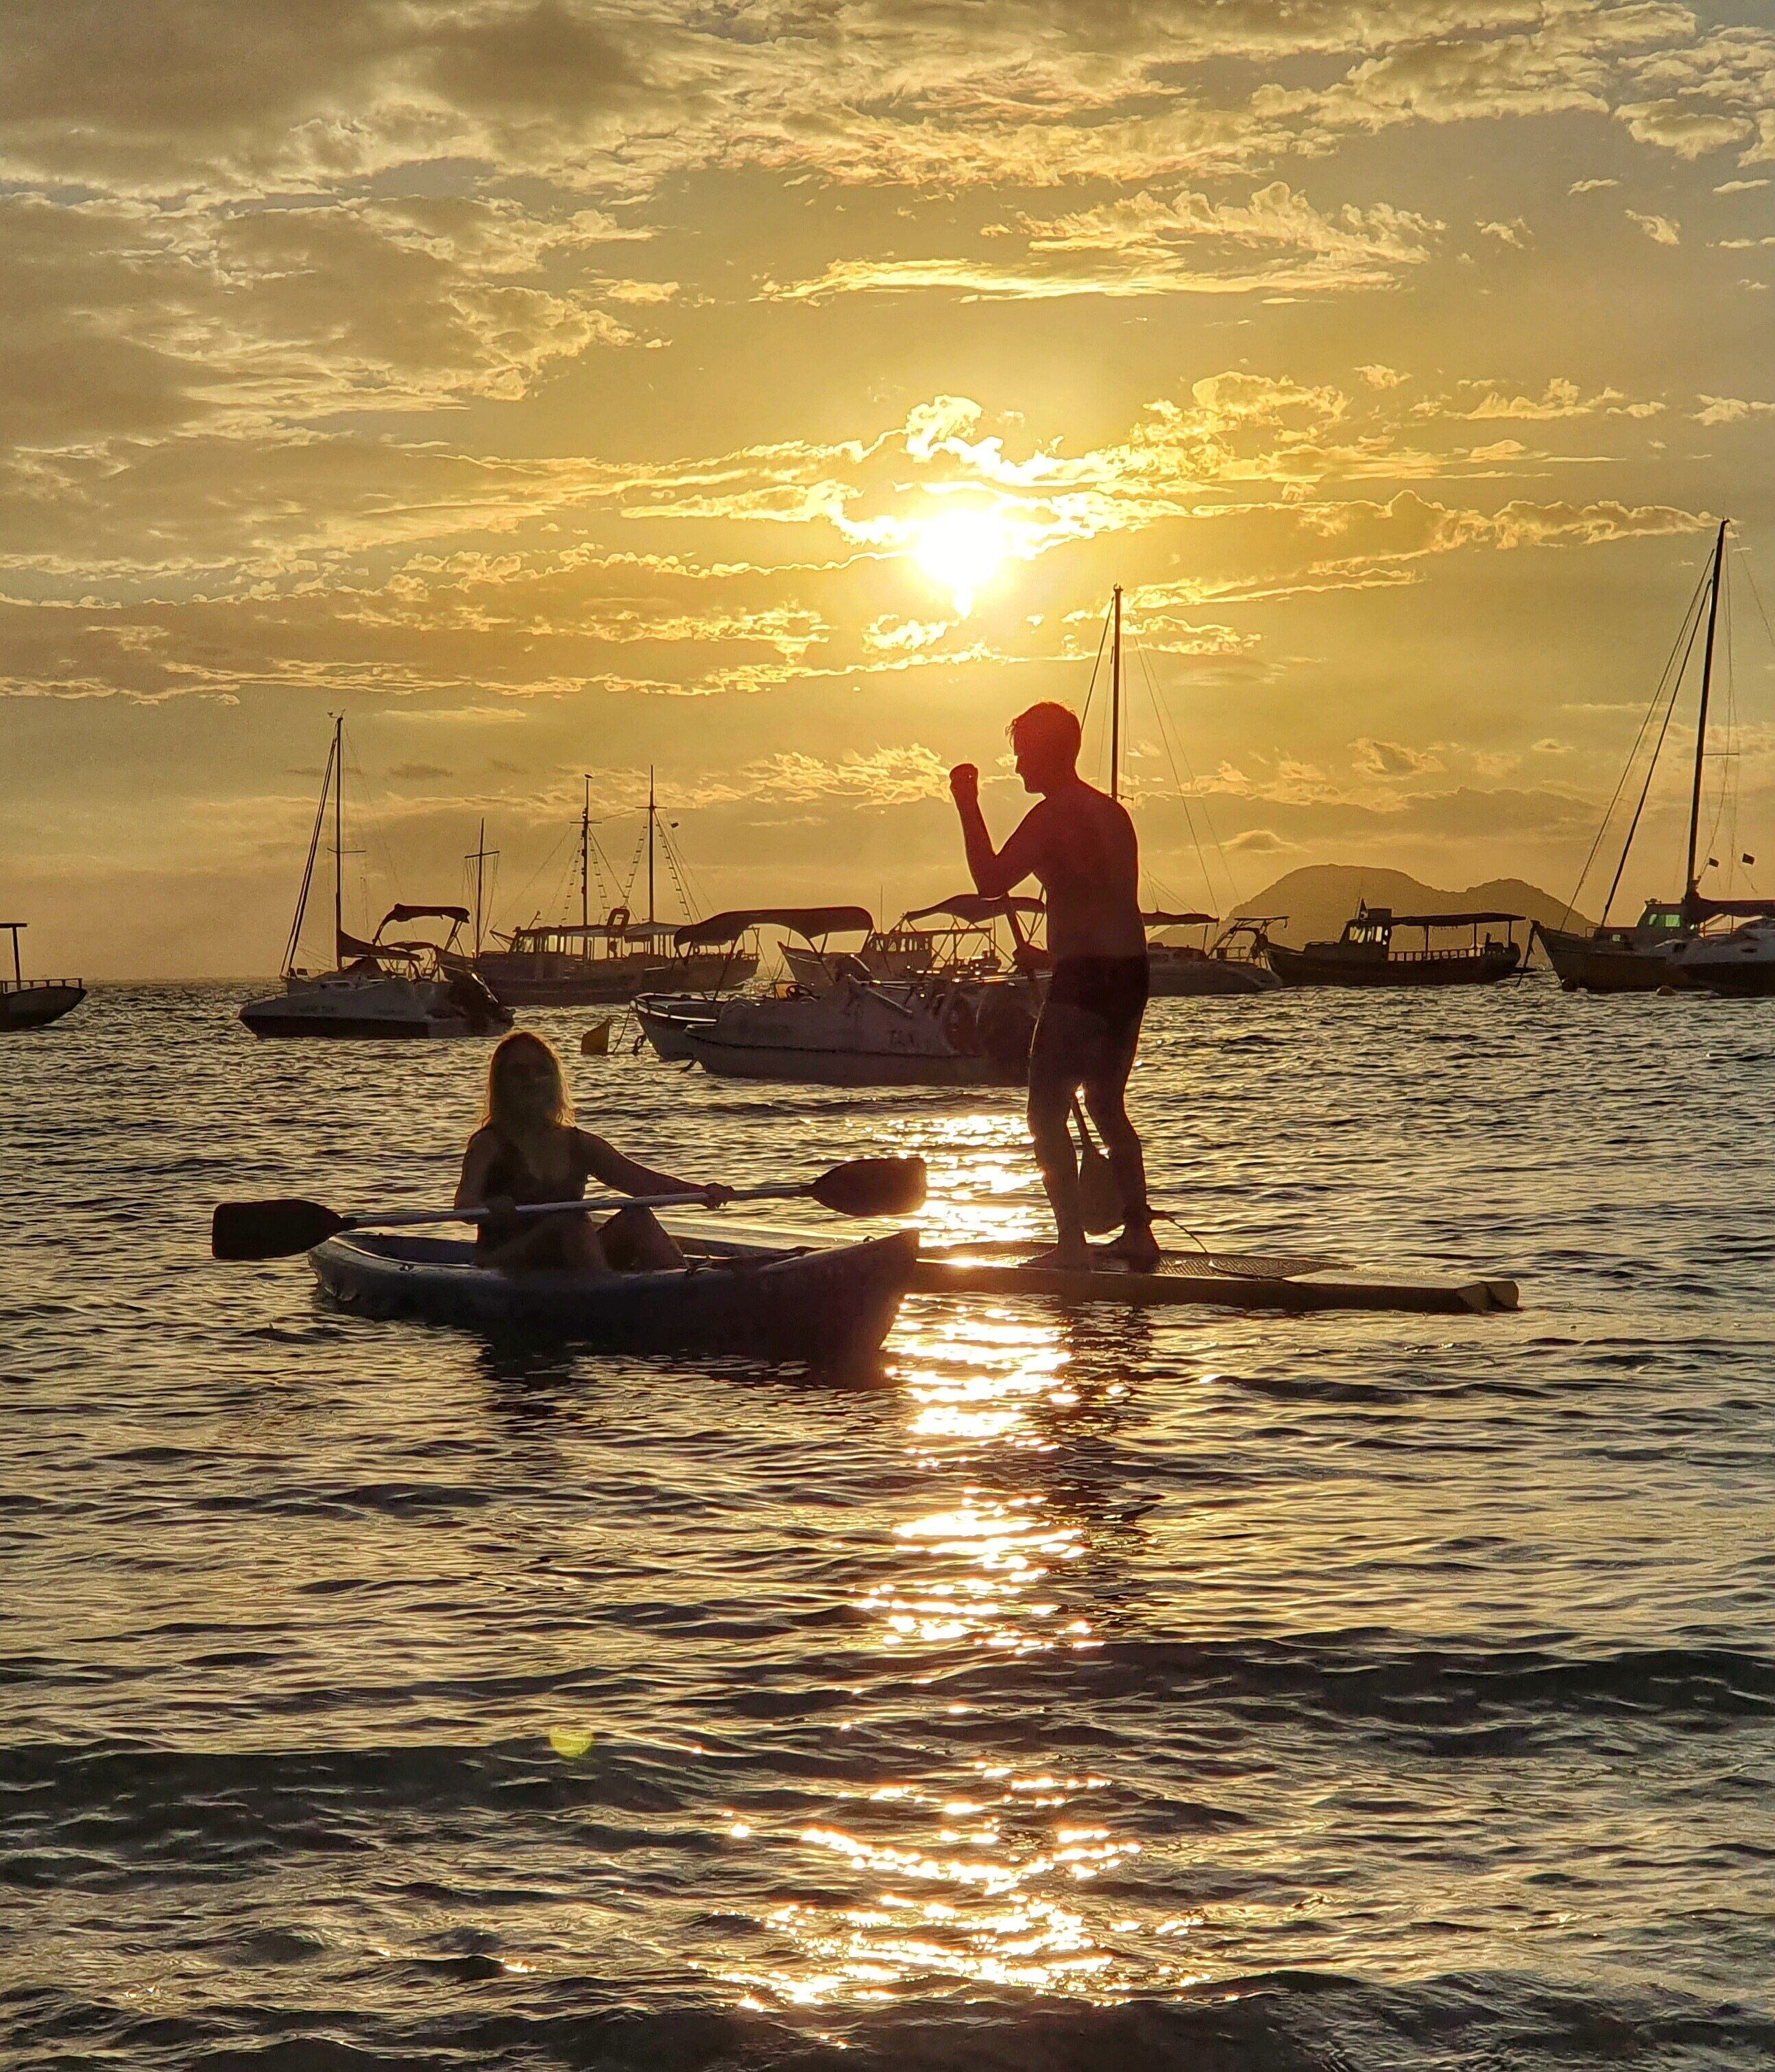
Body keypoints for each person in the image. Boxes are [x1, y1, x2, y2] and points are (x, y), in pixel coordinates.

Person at [950, 701, 1158, 1272]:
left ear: (1045, 754)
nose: (1017, 769)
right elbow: (1099, 897)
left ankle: (1071, 1245)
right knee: (1107, 1106)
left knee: (1045, 1110)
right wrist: (1053, 952)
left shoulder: (1053, 815)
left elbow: (991, 880)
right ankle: (1139, 1232)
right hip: (1129, 971)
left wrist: (967, 806)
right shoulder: (1112, 814)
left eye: (1022, 757)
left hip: (1087, 977)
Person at [456, 1029, 732, 1273]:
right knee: (569, 1221)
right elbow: (464, 1207)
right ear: (502, 1083)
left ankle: (682, 1286)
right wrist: (488, 1208)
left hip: (571, 1258)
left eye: (539, 1070)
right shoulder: (489, 1144)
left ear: (552, 1079)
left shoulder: (578, 1144)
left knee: (637, 1216)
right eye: (519, 1072)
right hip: (508, 1261)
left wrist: (701, 1193)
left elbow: (642, 1183)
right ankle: (605, 1298)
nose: (531, 1080)